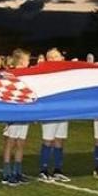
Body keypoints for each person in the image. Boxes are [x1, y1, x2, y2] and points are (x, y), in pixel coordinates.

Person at [39, 47, 71, 183]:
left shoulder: (65, 73)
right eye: (51, 57)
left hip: (63, 110)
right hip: (50, 111)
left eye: (56, 56)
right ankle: (43, 170)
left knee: (59, 140)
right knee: (48, 139)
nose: (54, 59)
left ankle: (57, 170)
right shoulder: (44, 73)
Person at [1, 49, 31, 186]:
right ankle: (6, 173)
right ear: (21, 60)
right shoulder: (10, 74)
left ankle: (17, 172)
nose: (29, 62)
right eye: (27, 60)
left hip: (24, 112)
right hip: (13, 112)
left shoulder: (29, 75)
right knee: (10, 142)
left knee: (20, 143)